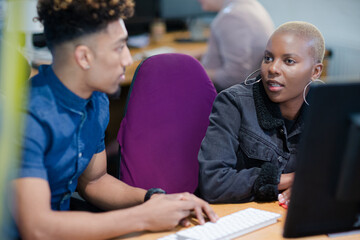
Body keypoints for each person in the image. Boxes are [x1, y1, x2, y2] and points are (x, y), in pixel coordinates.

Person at [11, 0, 218, 239]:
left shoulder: (95, 99)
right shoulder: (25, 116)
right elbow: (36, 229)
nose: (128, 60)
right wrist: (144, 217)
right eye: (119, 47)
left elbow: (95, 181)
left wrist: (154, 199)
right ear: (84, 57)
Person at [198, 21, 325, 206]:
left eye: (288, 61)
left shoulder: (327, 109)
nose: (273, 68)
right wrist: (292, 179)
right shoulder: (234, 103)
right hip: (241, 219)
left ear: (315, 71)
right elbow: (213, 182)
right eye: (268, 58)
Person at [198, 0, 274, 92]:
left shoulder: (231, 17)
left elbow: (234, 76)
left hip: (230, 95)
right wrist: (196, 55)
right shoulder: (248, 5)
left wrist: (198, 72)